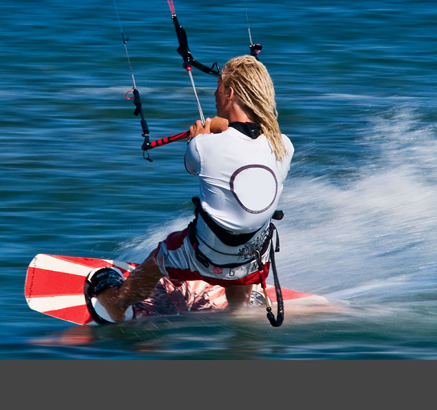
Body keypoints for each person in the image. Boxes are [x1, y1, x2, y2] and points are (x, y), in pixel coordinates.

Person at [85, 55, 294, 324]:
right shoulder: (284, 146)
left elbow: (194, 164)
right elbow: (247, 139)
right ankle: (238, 308)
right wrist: (222, 127)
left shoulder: (203, 147)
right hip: (251, 262)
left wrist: (200, 136)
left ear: (230, 93)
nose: (215, 95)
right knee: (242, 227)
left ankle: (117, 304)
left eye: (218, 88)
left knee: (159, 257)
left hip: (204, 257)